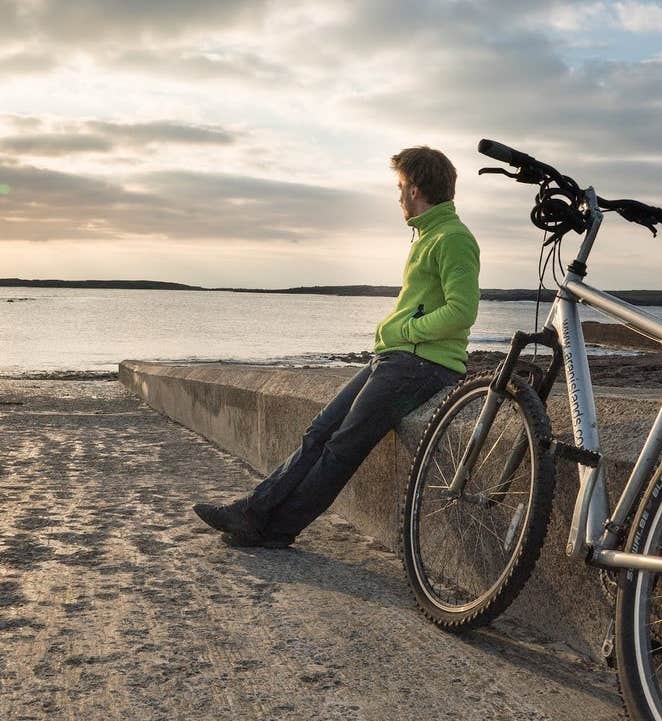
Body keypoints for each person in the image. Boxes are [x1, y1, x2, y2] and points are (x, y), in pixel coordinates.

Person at [192, 146, 480, 548]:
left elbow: (461, 312)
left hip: (422, 365)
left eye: (400, 188)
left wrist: (405, 331)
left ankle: (275, 531)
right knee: (319, 432)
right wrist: (398, 338)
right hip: (398, 359)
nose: (397, 197)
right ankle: (252, 513)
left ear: (415, 189)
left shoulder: (453, 238)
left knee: (342, 447)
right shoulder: (428, 235)